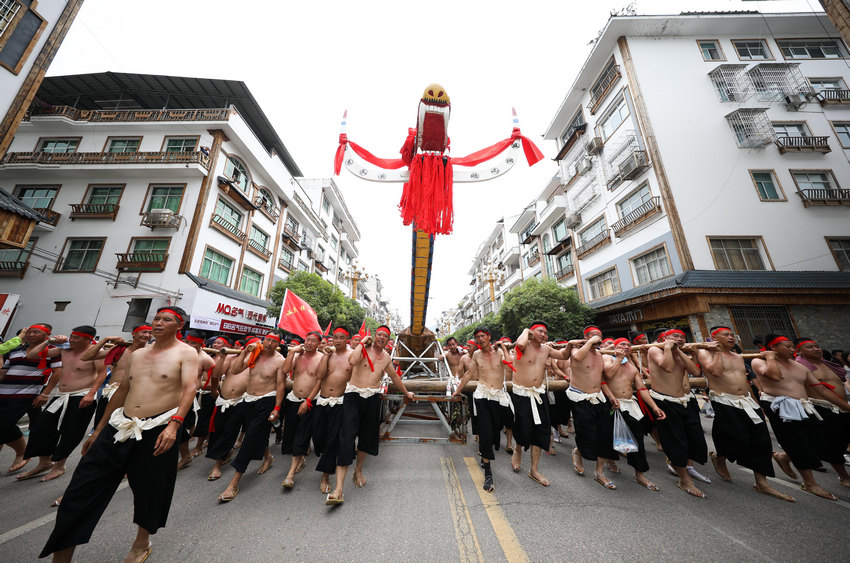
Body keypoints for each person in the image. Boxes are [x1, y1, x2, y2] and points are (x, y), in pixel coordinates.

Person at [39, 307, 198, 562]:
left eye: (166, 319)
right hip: (119, 427)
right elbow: (123, 389)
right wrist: (99, 429)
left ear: (179, 326)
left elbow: (191, 388)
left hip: (157, 430)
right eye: (156, 318)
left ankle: (141, 542)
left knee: (150, 490)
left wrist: (174, 425)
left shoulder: (187, 353)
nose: (158, 323)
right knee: (80, 490)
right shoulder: (137, 354)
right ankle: (62, 556)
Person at [697, 327, 794, 502]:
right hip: (724, 400)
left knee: (761, 441)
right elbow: (716, 372)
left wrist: (755, 403)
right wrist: (717, 351)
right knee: (735, 438)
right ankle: (720, 456)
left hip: (746, 401)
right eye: (725, 335)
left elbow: (744, 381)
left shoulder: (737, 356)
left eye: (732, 335)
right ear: (714, 338)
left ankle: (762, 483)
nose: (730, 337)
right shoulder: (705, 353)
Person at [752, 334, 850, 501]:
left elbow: (823, 390)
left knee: (820, 440)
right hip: (779, 406)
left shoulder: (801, 367)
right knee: (798, 443)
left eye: (793, 347)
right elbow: (774, 376)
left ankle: (783, 457)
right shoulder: (758, 362)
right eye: (787, 346)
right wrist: (770, 357)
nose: (792, 349)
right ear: (773, 348)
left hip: (803, 405)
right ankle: (810, 483)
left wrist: (847, 407)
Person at [326, 326, 413, 505]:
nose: (381, 337)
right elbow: (352, 360)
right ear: (374, 336)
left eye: (385, 336)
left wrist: (406, 392)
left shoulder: (386, 357)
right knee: (346, 438)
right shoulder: (362, 349)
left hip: (372, 398)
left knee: (366, 437)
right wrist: (362, 343)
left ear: (389, 340)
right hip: (353, 396)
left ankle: (358, 470)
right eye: (379, 334)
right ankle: (338, 489)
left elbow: (395, 378)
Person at [19, 326, 106, 482]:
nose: (71, 340)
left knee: (70, 432)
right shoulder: (64, 349)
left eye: (76, 338)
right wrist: (49, 341)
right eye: (71, 336)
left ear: (88, 339)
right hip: (60, 396)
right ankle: (44, 462)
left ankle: (59, 466)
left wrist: (91, 394)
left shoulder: (95, 352)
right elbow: (31, 355)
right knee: (43, 428)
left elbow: (102, 374)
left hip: (81, 396)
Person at [217, 334, 284, 502]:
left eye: (274, 341)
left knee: (250, 437)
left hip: (267, 401)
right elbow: (235, 370)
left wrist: (277, 407)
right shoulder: (255, 353)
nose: (269, 343)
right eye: (267, 340)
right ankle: (268, 457)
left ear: (278, 343)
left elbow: (281, 385)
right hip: (247, 399)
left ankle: (234, 482)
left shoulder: (279, 360)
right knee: (254, 433)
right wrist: (244, 352)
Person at [647, 328, 710, 498]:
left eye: (682, 336)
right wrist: (668, 348)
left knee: (694, 437)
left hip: (686, 401)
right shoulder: (654, 350)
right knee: (676, 440)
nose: (680, 338)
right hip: (666, 401)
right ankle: (684, 479)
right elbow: (667, 367)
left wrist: (679, 351)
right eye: (675, 336)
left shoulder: (680, 353)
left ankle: (688, 468)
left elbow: (696, 372)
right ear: (665, 338)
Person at [510, 321, 573, 487]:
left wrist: (570, 345)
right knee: (523, 429)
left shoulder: (546, 349)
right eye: (540, 331)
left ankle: (534, 469)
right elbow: (521, 343)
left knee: (541, 430)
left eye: (545, 332)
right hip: (522, 394)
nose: (544, 335)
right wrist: (525, 330)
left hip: (539, 393)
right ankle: (517, 450)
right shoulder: (522, 345)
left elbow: (564, 356)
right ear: (531, 332)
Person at [453, 326, 513, 492]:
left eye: (482, 336)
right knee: (486, 432)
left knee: (495, 432)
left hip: (498, 396)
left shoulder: (500, 352)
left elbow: (509, 368)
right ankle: (488, 472)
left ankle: (486, 451)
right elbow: (468, 373)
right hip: (482, 395)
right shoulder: (477, 355)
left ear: (488, 337)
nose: (479, 339)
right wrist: (458, 390)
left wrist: (503, 349)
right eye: (477, 337)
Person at [603, 337, 666, 491]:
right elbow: (608, 376)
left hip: (630, 405)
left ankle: (640, 473)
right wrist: (618, 358)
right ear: (615, 347)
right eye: (622, 344)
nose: (626, 347)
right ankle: (606, 465)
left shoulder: (631, 367)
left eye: (628, 345)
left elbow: (642, 389)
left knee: (637, 439)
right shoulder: (606, 358)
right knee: (606, 438)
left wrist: (654, 407)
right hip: (610, 404)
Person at [0, 324, 61, 474]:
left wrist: (45, 393)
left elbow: (57, 372)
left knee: (3, 424)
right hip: (3, 393)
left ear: (48, 335)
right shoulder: (15, 350)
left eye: (36, 332)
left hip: (26, 395)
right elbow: (3, 372)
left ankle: (22, 452)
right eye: (28, 332)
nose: (30, 335)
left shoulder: (51, 351)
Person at [794, 337, 850, 489]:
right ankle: (844, 476)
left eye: (817, 346)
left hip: (843, 406)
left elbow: (842, 383)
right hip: (822, 409)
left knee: (832, 442)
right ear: (799, 351)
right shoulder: (799, 366)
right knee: (834, 444)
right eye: (810, 347)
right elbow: (821, 390)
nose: (816, 349)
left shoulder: (829, 364)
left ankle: (785, 456)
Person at [568, 326, 620, 489]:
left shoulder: (601, 355)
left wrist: (611, 397)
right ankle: (578, 451)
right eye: (594, 336)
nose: (598, 338)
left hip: (598, 398)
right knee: (586, 434)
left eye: (599, 336)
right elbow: (576, 359)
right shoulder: (576, 350)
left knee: (604, 436)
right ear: (586, 336)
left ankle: (599, 473)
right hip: (580, 398)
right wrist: (590, 342)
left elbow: (605, 378)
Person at [309, 327, 354, 499]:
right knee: (318, 437)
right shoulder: (328, 354)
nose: (337, 341)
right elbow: (320, 376)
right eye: (335, 337)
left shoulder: (352, 355)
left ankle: (325, 476)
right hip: (322, 400)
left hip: (340, 402)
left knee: (332, 440)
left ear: (347, 339)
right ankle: (327, 462)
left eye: (341, 338)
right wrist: (326, 356)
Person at [81, 325, 153, 429]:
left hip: (130, 396)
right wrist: (105, 340)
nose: (147, 335)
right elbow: (86, 357)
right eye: (144, 332)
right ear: (134, 333)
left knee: (117, 430)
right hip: (109, 392)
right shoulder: (120, 350)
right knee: (99, 426)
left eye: (150, 333)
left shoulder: (151, 351)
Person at [279, 331, 323, 488]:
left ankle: (290, 475)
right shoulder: (297, 356)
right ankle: (301, 459)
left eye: (313, 341)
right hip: (293, 399)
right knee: (290, 432)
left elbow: (319, 382)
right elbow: (285, 370)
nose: (309, 343)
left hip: (310, 401)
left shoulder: (321, 358)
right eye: (307, 340)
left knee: (302, 435)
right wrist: (291, 352)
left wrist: (308, 401)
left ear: (319, 343)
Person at [204, 346, 249, 482]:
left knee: (230, 432)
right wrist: (222, 357)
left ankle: (217, 464)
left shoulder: (255, 361)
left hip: (240, 401)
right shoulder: (231, 358)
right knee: (217, 431)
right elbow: (216, 375)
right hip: (223, 400)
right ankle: (223, 453)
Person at [179, 332, 216, 470]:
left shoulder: (206, 360)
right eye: (187, 342)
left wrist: (208, 390)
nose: (189, 346)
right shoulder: (179, 352)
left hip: (190, 395)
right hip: (171, 393)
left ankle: (186, 455)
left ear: (201, 344)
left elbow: (212, 379)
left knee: (179, 424)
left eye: (193, 343)